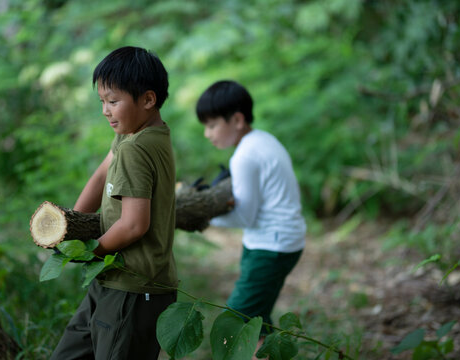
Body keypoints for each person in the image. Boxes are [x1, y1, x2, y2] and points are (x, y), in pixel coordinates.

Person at [50, 46, 177, 360]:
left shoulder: (138, 148)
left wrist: (92, 252)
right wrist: (71, 225)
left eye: (113, 101)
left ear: (148, 100)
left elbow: (134, 224)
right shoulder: (137, 135)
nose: (105, 110)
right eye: (102, 101)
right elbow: (100, 174)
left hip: (134, 288)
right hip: (113, 279)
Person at [196, 80, 306, 342]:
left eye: (212, 125)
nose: (207, 134)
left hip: (272, 246)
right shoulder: (263, 139)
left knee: (234, 322)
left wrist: (204, 215)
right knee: (257, 320)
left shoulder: (245, 155)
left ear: (236, 119)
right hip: (275, 242)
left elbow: (245, 215)